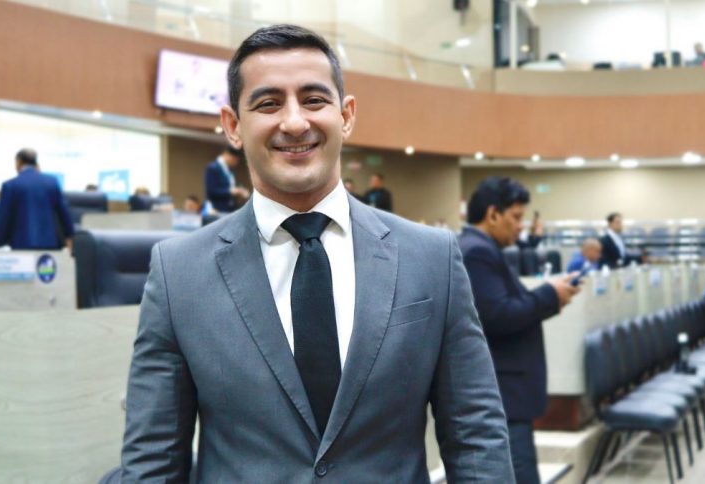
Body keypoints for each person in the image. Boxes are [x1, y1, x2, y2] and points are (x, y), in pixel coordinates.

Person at [122, 24, 514, 482]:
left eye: (313, 100)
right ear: (232, 125)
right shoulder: (178, 274)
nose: (294, 122)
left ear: (346, 115)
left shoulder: (432, 259)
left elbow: (476, 436)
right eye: (268, 104)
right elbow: (154, 458)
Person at [459, 176, 579, 484]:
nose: (521, 226)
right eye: (515, 217)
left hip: (508, 395)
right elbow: (498, 316)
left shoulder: (484, 249)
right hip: (502, 395)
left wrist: (550, 295)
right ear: (493, 214)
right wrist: (550, 295)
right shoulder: (477, 253)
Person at [0, 148, 75, 250]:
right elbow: (63, 212)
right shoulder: (52, 182)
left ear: (18, 162)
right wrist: (70, 235)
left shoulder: (10, 185)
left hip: (21, 244)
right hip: (49, 243)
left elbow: (4, 217)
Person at [204, 145, 249, 212]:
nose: (236, 163)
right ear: (227, 154)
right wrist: (231, 191)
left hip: (229, 209)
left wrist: (239, 191)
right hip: (216, 209)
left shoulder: (230, 171)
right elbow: (211, 192)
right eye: (235, 160)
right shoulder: (213, 168)